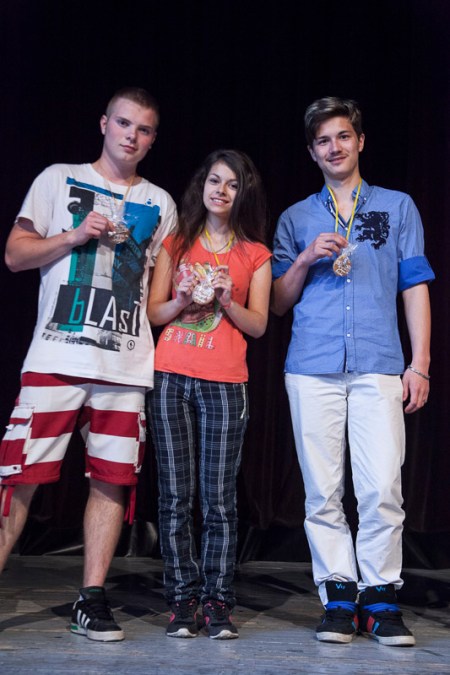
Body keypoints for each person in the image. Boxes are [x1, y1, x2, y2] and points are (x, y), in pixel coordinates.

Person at [0, 87, 177, 642]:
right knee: (18, 479)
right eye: (124, 123)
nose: (131, 136)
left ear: (152, 139)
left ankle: (92, 598)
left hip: (124, 364)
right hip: (56, 353)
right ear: (104, 124)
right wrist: (74, 235)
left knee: (110, 481)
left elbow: (158, 296)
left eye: (143, 129)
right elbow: (14, 255)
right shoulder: (58, 179)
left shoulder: (161, 202)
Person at [271, 97, 434, 647]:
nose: (334, 147)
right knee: (322, 491)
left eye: (343, 136)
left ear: (360, 141)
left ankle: (381, 596)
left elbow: (414, 285)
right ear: (312, 152)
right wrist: (304, 258)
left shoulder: (397, 206)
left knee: (382, 485)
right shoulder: (296, 217)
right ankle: (339, 596)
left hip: (379, 363)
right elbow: (277, 303)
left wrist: (420, 364)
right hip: (312, 366)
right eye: (323, 140)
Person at [147, 149, 271, 639]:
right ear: (202, 186)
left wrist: (227, 300)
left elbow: (258, 325)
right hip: (171, 376)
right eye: (215, 181)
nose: (221, 190)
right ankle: (182, 599)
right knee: (175, 496)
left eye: (232, 184)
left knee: (218, 499)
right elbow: (155, 313)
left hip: (225, 382)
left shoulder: (255, 254)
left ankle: (218, 600)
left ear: (243, 194)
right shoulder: (176, 242)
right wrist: (181, 298)